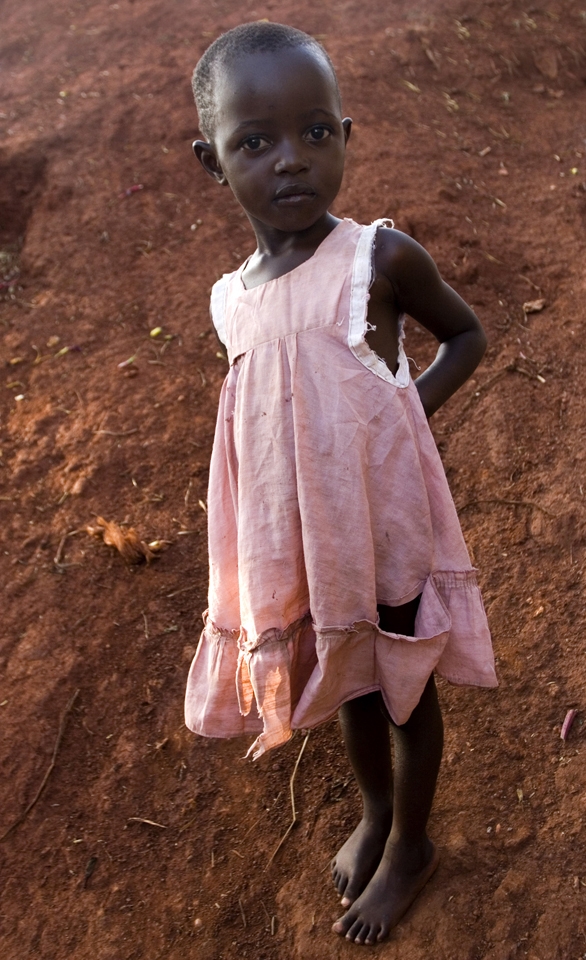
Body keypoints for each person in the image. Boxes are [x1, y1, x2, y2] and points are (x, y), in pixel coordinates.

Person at [184, 21, 497, 946]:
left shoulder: (380, 260)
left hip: (384, 522)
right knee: (352, 676)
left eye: (316, 133)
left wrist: (403, 421)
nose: (293, 162)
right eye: (257, 142)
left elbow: (468, 337)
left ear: (346, 135)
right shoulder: (229, 301)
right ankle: (373, 811)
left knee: (403, 679)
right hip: (309, 538)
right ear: (213, 161)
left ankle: (411, 843)